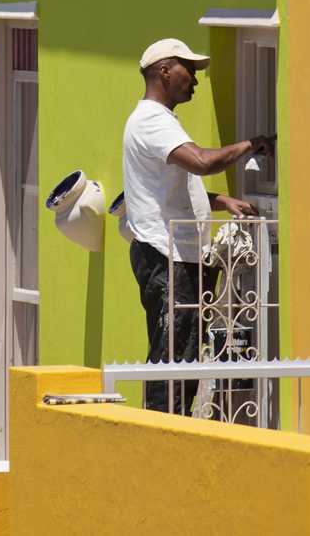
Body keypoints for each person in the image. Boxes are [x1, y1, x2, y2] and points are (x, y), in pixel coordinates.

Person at [121, 38, 274, 414]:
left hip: (174, 256)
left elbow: (170, 187)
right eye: (189, 70)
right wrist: (252, 144)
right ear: (165, 70)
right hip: (166, 258)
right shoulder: (152, 121)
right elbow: (202, 162)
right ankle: (163, 440)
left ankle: (170, 431)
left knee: (182, 359)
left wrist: (220, 202)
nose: (195, 80)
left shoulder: (158, 121)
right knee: (174, 361)